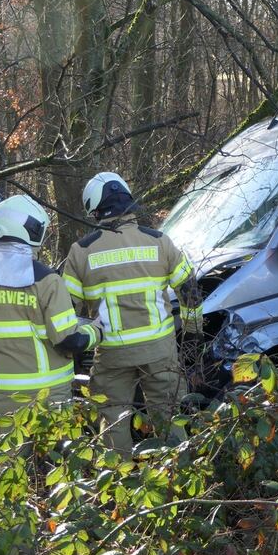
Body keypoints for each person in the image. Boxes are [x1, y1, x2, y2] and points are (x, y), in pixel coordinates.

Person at [61, 172, 200, 454]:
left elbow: (65, 311)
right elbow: (190, 290)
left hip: (112, 352)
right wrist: (193, 333)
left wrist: (73, 350)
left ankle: (119, 483)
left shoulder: (81, 251)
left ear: (95, 209)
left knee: (112, 419)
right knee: (170, 414)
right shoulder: (160, 241)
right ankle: (178, 474)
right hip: (159, 350)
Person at [0, 195, 102, 442]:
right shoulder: (46, 280)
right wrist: (97, 331)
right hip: (50, 397)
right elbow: (68, 340)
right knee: (59, 470)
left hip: (2, 397)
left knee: (9, 472)